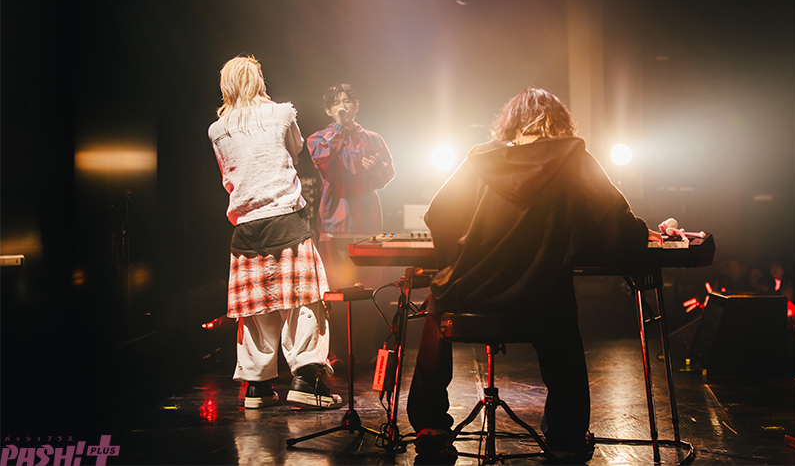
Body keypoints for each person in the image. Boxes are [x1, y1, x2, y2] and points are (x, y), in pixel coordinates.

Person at [406, 88, 663, 463]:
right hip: (538, 299)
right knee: (561, 314)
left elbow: (438, 215)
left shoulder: (479, 159)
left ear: (510, 123)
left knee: (439, 301)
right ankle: (566, 435)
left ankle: (431, 425)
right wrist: (637, 234)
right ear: (559, 123)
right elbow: (616, 228)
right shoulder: (573, 158)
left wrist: (455, 260)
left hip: (472, 292)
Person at [208, 56, 342, 410]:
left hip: (246, 225)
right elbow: (295, 151)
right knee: (304, 301)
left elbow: (229, 173)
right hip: (285, 218)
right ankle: (306, 380)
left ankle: (257, 387)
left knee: (254, 310)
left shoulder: (217, 129)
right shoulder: (282, 113)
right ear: (259, 80)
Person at [307, 84, 395, 235]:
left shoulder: (373, 138)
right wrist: (339, 127)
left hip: (368, 220)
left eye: (347, 101)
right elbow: (322, 160)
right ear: (329, 111)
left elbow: (385, 177)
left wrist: (374, 169)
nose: (342, 107)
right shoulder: (318, 138)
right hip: (335, 221)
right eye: (336, 103)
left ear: (356, 106)